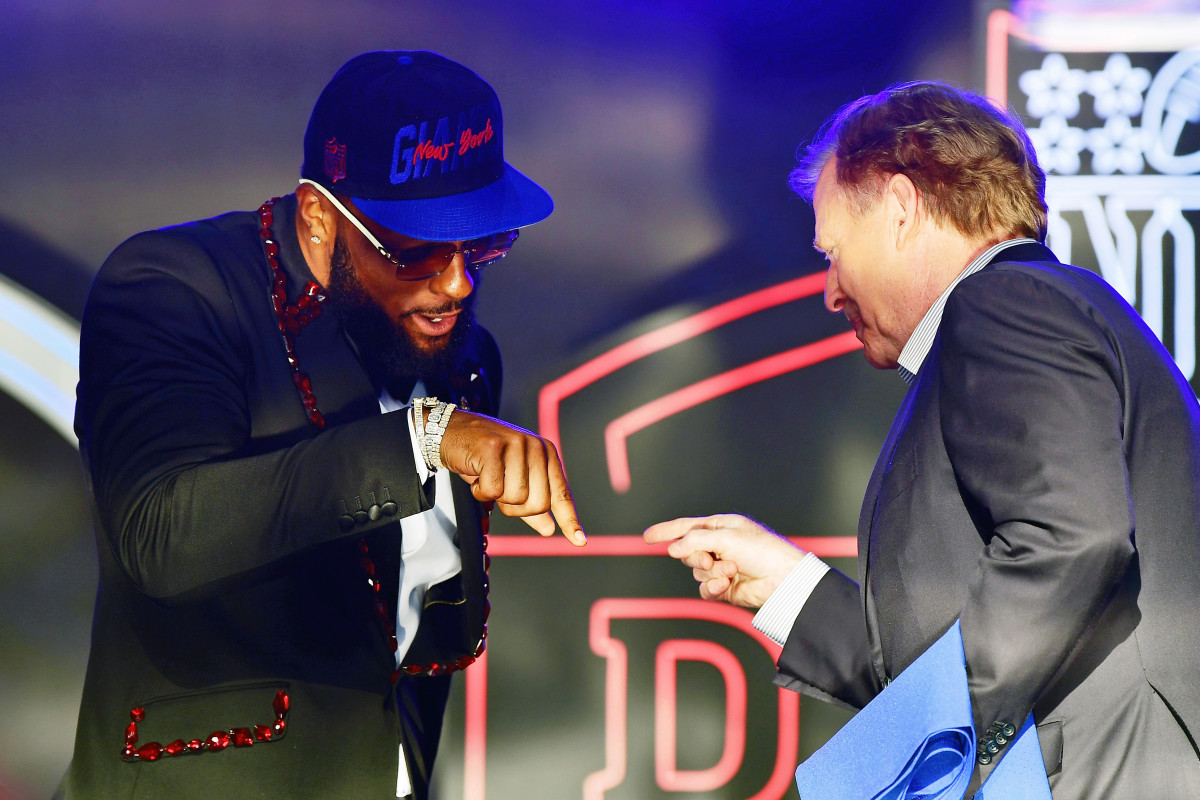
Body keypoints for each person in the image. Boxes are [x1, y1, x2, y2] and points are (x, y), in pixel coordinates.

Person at [646, 81, 1200, 798]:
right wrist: (789, 589)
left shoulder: (1007, 302)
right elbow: (974, 645)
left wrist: (921, 740)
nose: (830, 290)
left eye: (832, 250)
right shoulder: (1033, 312)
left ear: (903, 208)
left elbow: (1073, 538)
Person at [61, 50, 584, 800]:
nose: (457, 283)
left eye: (483, 245)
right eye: (417, 251)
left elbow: (403, 643)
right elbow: (159, 532)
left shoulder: (462, 357)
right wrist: (424, 441)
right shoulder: (175, 286)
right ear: (318, 216)